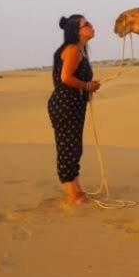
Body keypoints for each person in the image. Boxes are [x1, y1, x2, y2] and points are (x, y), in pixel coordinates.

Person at [47, 14, 101, 205]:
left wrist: (88, 86)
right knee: (67, 148)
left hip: (73, 105)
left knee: (74, 148)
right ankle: (73, 194)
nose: (91, 26)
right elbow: (65, 78)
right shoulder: (72, 50)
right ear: (77, 31)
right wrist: (86, 86)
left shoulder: (81, 49)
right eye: (87, 24)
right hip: (65, 105)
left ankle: (77, 189)